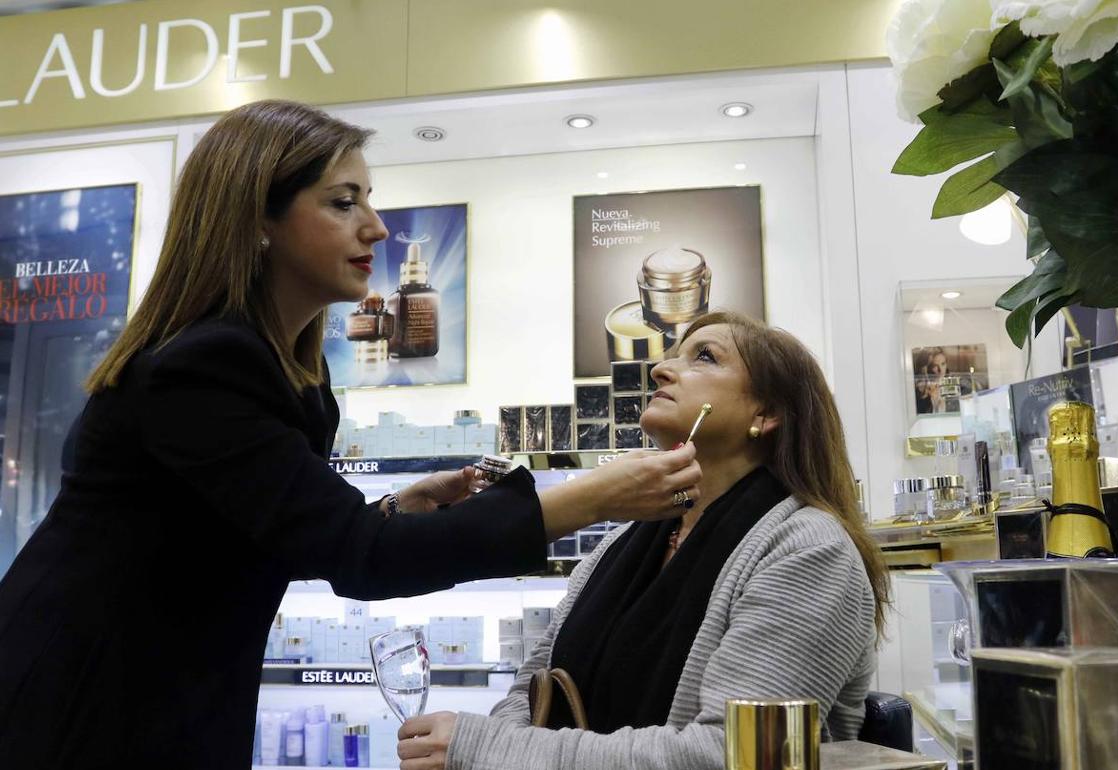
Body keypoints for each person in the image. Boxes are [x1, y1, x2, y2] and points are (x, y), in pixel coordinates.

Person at [0, 100, 701, 769]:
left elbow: (277, 530)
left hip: (161, 694)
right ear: (258, 218)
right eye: (344, 202)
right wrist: (588, 499)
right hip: (79, 699)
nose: (377, 227)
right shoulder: (206, 365)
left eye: (369, 198)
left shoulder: (292, 376)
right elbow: (360, 558)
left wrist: (396, 511)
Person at [397, 311, 892, 770]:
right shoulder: (624, 544)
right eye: (672, 355)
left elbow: (741, 757)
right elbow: (531, 688)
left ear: (765, 414)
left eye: (704, 356)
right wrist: (495, 748)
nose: (660, 369)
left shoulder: (809, 552)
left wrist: (485, 748)